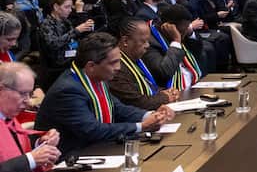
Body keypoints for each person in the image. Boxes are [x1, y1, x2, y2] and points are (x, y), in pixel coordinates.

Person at [34, 32, 173, 153]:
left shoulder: (97, 77)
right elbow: (92, 130)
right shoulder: (68, 90)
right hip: (72, 157)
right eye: (113, 63)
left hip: (98, 149)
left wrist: (151, 115)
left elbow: (117, 108)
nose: (118, 68)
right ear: (91, 66)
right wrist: (141, 126)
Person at [0, 62, 59, 172]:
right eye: (22, 93)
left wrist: (41, 145)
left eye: (29, 94)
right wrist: (32, 159)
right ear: (1, 89)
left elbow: (15, 150)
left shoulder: (8, 117)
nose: (28, 101)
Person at [110, 18, 181, 111]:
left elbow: (148, 87)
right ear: (125, 41)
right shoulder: (116, 67)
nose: (147, 45)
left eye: (148, 41)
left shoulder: (136, 59)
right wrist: (165, 97)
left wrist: (167, 92)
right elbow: (136, 102)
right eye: (143, 41)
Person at [37, 0, 94, 89]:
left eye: (70, 7)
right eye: (66, 7)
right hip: (55, 68)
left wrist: (85, 27)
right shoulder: (46, 24)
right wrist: (76, 31)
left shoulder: (66, 21)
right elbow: (54, 44)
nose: (70, 10)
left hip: (69, 60)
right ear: (56, 7)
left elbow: (74, 39)